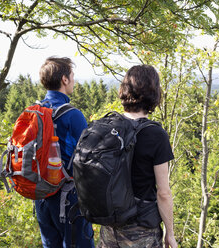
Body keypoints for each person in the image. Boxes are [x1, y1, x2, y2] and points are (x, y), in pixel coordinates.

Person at [98, 65, 178, 248]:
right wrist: (170, 233)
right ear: (154, 94)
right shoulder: (155, 134)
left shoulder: (107, 126)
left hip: (109, 227)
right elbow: (163, 193)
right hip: (141, 230)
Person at [35, 56, 95, 248]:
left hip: (41, 197)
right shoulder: (72, 115)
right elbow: (88, 159)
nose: (74, 80)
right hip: (68, 200)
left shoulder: (37, 111)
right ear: (64, 79)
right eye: (72, 75)